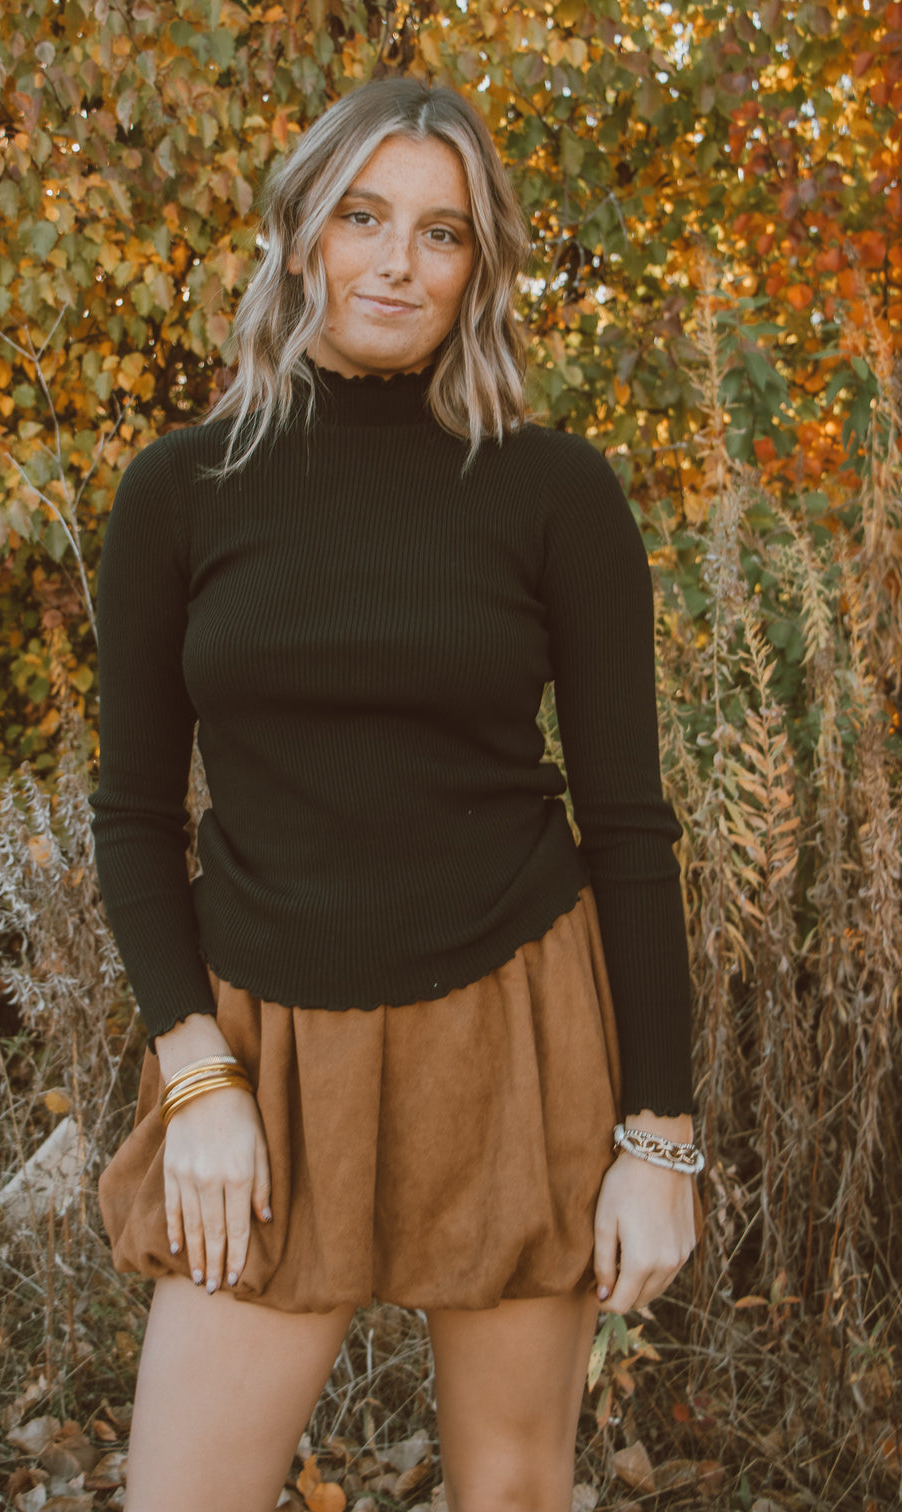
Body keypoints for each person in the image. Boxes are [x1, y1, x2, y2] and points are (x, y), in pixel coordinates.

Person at [90, 76, 701, 1512]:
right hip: (265, 1048)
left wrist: (659, 1141)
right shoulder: (180, 489)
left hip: (514, 1030)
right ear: (302, 231)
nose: (396, 263)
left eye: (442, 234)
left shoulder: (553, 491)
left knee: (510, 1492)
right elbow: (131, 814)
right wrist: (199, 1079)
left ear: (478, 267)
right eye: (364, 217)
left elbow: (627, 828)